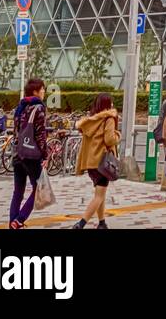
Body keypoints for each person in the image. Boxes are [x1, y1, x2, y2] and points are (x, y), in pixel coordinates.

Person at [72, 93, 120, 230]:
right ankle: (80, 224)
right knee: (99, 196)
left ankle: (102, 223)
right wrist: (118, 135)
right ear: (107, 104)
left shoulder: (90, 121)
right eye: (110, 102)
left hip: (91, 162)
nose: (112, 105)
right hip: (103, 162)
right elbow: (110, 139)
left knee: (100, 193)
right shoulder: (109, 118)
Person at [10, 77, 48, 230]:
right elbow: (40, 135)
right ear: (35, 92)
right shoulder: (38, 108)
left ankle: (12, 225)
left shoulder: (20, 107)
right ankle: (19, 220)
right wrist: (45, 155)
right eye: (42, 90)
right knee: (39, 189)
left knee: (18, 192)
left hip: (18, 154)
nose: (44, 92)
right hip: (32, 156)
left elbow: (15, 131)